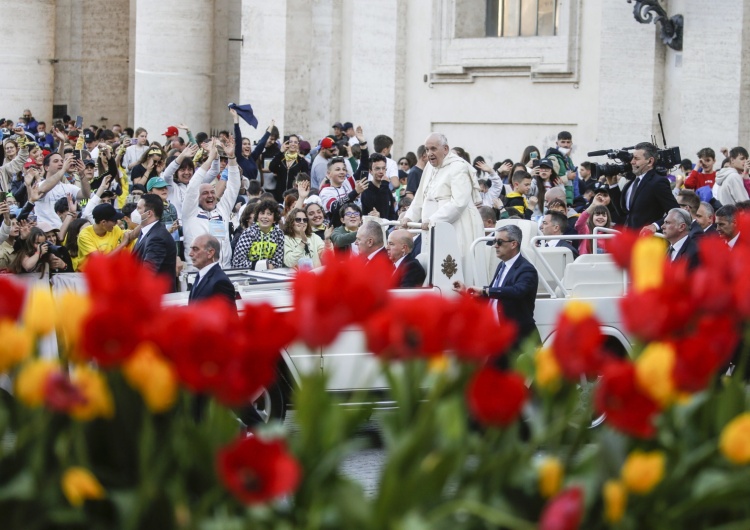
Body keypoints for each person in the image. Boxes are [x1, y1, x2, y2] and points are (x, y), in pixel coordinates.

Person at [401, 133, 484, 285]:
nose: (429, 153)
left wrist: (433, 220)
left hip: (456, 226)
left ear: (445, 149)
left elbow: (459, 203)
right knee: (432, 265)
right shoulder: (429, 167)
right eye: (427, 149)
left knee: (454, 267)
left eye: (433, 148)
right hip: (431, 228)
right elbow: (421, 196)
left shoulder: (458, 167)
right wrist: (409, 216)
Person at [453, 224, 539, 352]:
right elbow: (495, 295)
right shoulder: (502, 266)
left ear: (514, 244)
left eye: (499, 242)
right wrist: (468, 292)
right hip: (501, 336)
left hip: (519, 338)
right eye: (494, 241)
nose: (495, 246)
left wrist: (486, 290)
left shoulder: (526, 269)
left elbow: (517, 291)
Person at [183, 137, 241, 269]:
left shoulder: (222, 209)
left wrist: (231, 157)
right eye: (205, 193)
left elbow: (234, 186)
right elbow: (192, 187)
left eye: (212, 192)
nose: (210, 195)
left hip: (223, 270)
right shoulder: (190, 213)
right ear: (197, 197)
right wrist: (210, 158)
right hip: (197, 273)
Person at [607, 142, 679, 230]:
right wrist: (613, 185)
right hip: (630, 239)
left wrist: (655, 226)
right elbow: (623, 212)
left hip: (648, 240)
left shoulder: (658, 182)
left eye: (636, 159)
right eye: (632, 158)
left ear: (650, 161)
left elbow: (675, 211)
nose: (632, 162)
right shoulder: (630, 183)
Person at [132, 193, 178, 290]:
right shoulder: (146, 231)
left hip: (158, 298)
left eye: (139, 208)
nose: (135, 212)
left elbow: (148, 273)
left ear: (149, 213)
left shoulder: (157, 238)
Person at [232, 198, 284, 269]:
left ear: (274, 219)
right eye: (262, 213)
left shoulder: (279, 234)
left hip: (271, 275)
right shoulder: (249, 233)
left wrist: (268, 267)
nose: (265, 217)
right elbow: (237, 262)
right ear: (257, 217)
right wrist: (262, 266)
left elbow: (278, 262)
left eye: (269, 214)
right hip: (247, 275)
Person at [188, 234, 236, 306]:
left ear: (210, 253)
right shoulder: (201, 275)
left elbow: (228, 316)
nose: (190, 254)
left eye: (195, 249)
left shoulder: (220, 282)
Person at [269, 134, 310, 204]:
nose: (293, 144)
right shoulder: (281, 159)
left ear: (298, 145)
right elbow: (271, 167)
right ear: (286, 143)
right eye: (290, 142)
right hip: (279, 196)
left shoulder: (302, 162)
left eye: (295, 142)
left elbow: (305, 181)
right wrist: (280, 152)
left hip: (294, 197)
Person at [360, 153, 397, 220]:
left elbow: (392, 214)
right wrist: (384, 186)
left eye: (383, 168)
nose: (381, 172)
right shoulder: (367, 190)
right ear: (370, 171)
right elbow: (383, 212)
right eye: (377, 169)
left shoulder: (387, 189)